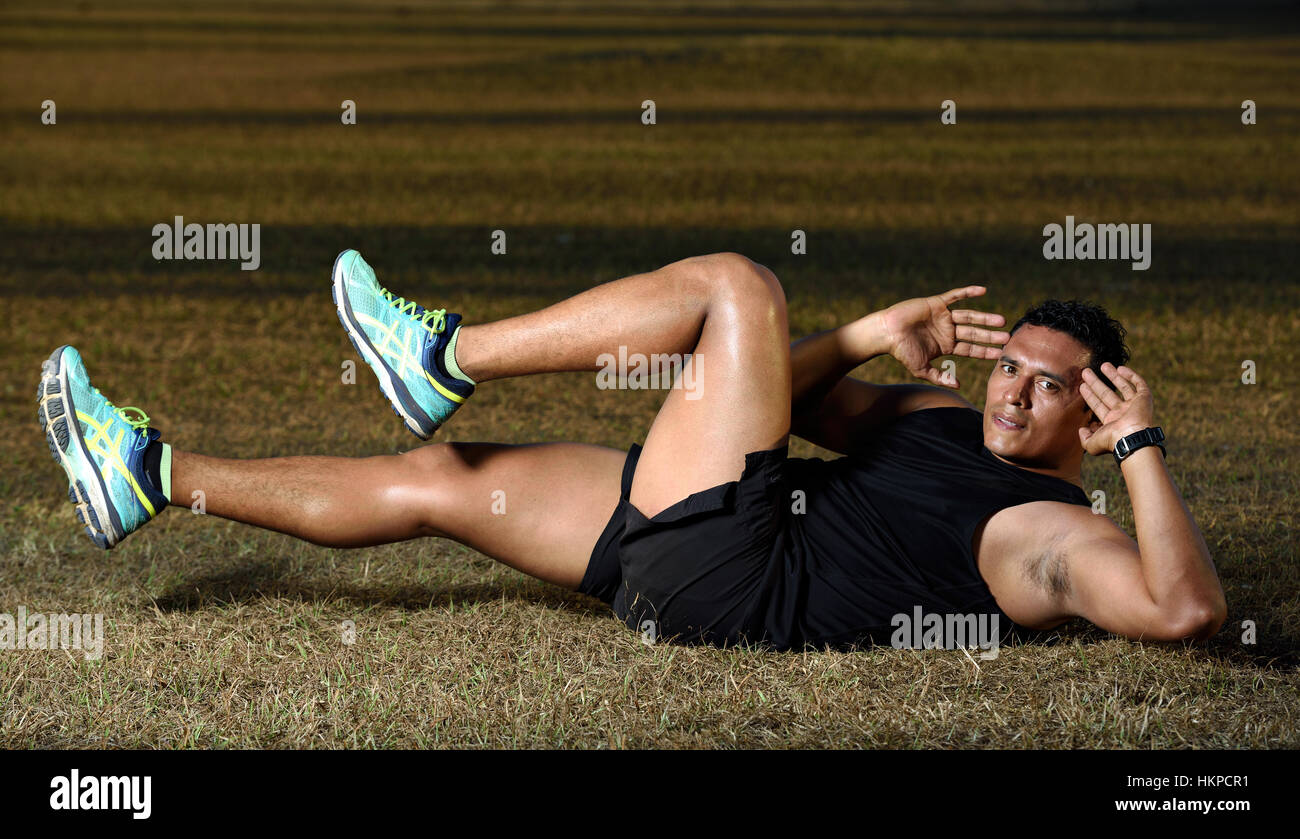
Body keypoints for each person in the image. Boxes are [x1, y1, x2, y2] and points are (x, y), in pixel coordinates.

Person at [37, 250, 1226, 650]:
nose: (1011, 389)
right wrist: (866, 334)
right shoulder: (940, 420)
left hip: (739, 570)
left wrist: (1143, 448)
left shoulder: (1048, 536)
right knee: (438, 480)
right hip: (693, 540)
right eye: (1007, 362)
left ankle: (442, 356)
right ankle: (148, 473)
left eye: (1048, 383)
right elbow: (787, 403)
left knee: (734, 285)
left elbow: (1180, 612)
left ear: (1094, 408)